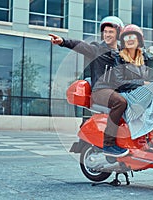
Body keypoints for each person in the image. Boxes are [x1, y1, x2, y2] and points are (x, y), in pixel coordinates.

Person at [49, 16, 129, 157]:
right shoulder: (97, 49)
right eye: (105, 32)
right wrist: (63, 42)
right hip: (100, 91)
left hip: (116, 91)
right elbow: (81, 45)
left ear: (118, 33)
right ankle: (108, 144)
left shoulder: (122, 55)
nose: (107, 35)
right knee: (120, 102)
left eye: (111, 32)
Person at [112, 24, 153, 152]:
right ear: (122, 41)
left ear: (139, 39)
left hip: (139, 93)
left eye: (132, 36)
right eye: (126, 37)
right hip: (126, 94)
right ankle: (149, 139)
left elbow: (151, 76)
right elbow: (119, 82)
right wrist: (141, 83)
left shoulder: (142, 58)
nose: (129, 39)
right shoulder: (119, 57)